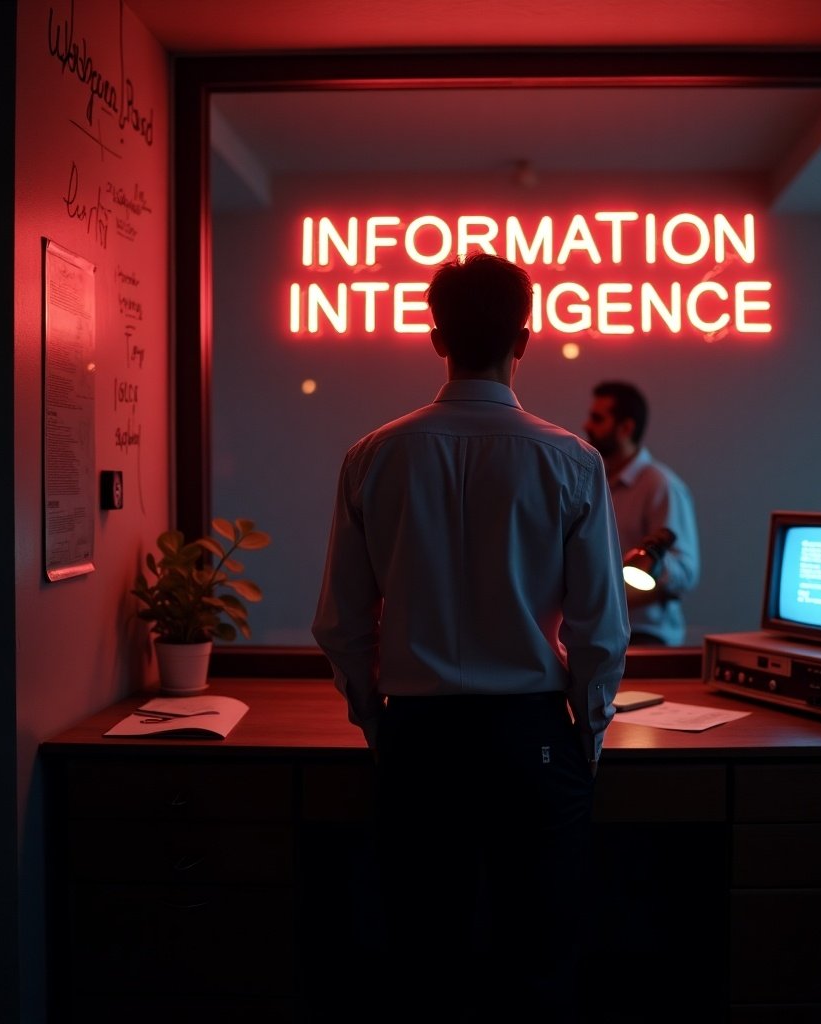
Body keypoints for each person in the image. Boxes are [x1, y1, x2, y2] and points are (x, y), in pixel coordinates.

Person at [312, 252, 630, 1022]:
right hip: (531, 738)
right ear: (525, 338)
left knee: (424, 962)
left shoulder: (372, 456)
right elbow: (600, 632)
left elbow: (342, 625)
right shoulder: (572, 461)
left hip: (419, 738)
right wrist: (584, 734)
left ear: (434, 335)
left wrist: (378, 721)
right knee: (539, 962)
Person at [584, 380, 700, 646]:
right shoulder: (594, 481)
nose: (586, 426)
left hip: (645, 636)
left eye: (597, 418)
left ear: (626, 428)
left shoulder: (661, 486)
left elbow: (685, 570)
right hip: (600, 634)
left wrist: (646, 570)